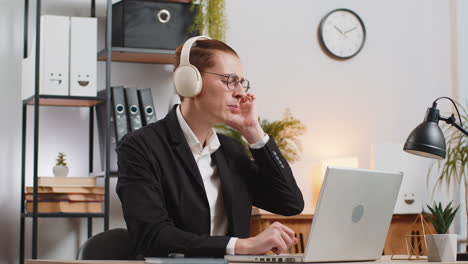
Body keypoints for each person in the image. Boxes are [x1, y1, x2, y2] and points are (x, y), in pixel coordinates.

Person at [116, 36, 304, 259]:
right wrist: (242, 246)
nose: (240, 93)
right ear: (189, 81)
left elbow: (290, 203)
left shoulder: (231, 151)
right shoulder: (140, 147)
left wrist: (253, 131)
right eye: (229, 80)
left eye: (241, 83)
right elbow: (152, 236)